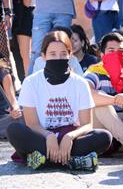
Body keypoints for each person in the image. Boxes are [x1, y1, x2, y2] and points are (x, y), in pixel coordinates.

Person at [6, 31, 112, 171]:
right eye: (52, 54)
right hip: (41, 136)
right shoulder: (31, 82)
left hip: (70, 139)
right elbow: (32, 124)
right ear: (43, 56)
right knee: (14, 130)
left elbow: (87, 124)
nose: (58, 58)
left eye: (63, 54)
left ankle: (42, 159)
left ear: (70, 55)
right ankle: (72, 160)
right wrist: (49, 136)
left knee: (104, 137)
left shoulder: (80, 83)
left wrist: (69, 136)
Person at [28, 0, 76, 75]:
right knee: (37, 51)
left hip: (63, 11)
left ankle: (61, 80)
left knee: (62, 49)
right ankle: (30, 85)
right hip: (41, 12)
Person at [11, 0, 34, 77]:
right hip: (13, 12)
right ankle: (23, 81)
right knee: (15, 52)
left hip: (24, 12)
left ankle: (29, 81)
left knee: (25, 54)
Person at [0, 55, 22, 138]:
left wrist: (15, 109)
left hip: (5, 115)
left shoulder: (3, 72)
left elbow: (12, 100)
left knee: (18, 121)